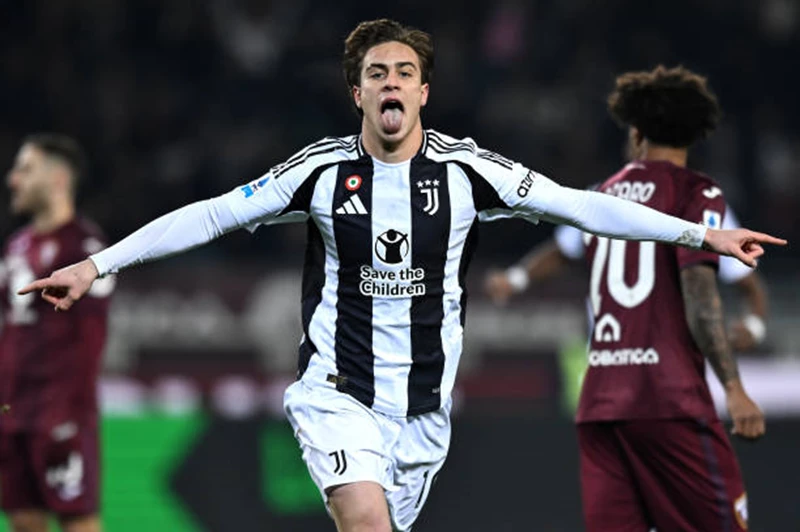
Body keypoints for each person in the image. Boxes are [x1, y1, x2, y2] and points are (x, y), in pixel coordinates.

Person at [19, 23, 784, 532]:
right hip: (336, 394)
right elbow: (214, 215)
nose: (391, 82)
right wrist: (96, 264)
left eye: (405, 72)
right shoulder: (320, 172)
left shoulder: (468, 172)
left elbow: (582, 206)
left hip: (422, 416)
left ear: (423, 93)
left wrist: (701, 234)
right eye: (377, 73)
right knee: (364, 521)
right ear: (358, 93)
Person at [491, 65, 765, 531]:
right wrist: (734, 387)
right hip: (669, 398)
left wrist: (515, 280)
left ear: (636, 134)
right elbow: (704, 293)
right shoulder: (699, 192)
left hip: (600, 402)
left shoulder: (602, 195)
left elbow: (561, 250)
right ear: (694, 134)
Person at [0, 134, 115, 532]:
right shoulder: (15, 247)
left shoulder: (87, 250)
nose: (13, 180)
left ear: (58, 179)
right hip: (13, 413)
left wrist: (67, 412)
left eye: (25, 169)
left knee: (77, 521)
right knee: (23, 520)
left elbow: (90, 339)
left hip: (62, 416)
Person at [486, 205, 770, 353]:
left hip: (675, 358)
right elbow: (563, 250)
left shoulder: (705, 202)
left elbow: (747, 281)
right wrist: (516, 278)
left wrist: (754, 325)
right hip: (608, 357)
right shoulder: (604, 193)